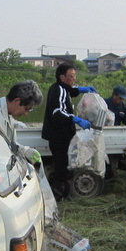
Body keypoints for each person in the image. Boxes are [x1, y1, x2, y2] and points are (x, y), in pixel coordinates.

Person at [41, 63, 97, 200]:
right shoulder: (58, 90)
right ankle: (58, 196)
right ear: (62, 77)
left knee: (65, 165)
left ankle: (63, 194)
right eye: (71, 76)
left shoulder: (63, 88)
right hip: (59, 136)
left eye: (75, 76)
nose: (74, 79)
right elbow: (57, 112)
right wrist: (76, 119)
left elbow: (71, 90)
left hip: (63, 135)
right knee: (61, 167)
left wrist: (82, 89)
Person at [0, 80, 44, 165]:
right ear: (17, 101)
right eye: (27, 109)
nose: (26, 114)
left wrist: (24, 151)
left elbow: (9, 142)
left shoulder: (7, 111)